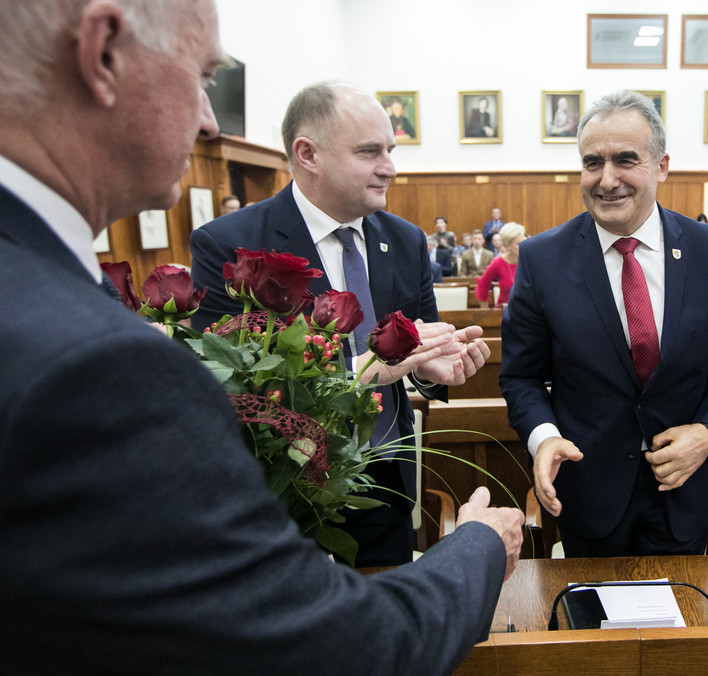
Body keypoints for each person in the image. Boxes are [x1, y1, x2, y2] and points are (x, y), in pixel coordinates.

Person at [0, 2, 522, 673]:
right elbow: (343, 647)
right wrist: (477, 546)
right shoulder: (102, 357)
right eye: (202, 75)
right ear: (102, 54)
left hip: (385, 480)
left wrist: (427, 366)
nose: (210, 120)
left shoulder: (51, 288)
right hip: (292, 494)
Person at [191, 82, 495, 567]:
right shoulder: (231, 244)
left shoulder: (406, 241)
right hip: (285, 486)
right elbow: (227, 386)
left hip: (384, 481)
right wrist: (358, 370)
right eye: (369, 152)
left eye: (390, 150)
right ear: (308, 154)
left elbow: (416, 351)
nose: (390, 167)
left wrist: (430, 370)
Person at [500, 90, 708, 557]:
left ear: (661, 166)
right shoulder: (542, 259)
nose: (607, 179)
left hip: (682, 493)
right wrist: (544, 437)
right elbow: (521, 377)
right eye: (592, 162)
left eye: (625, 160)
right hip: (588, 496)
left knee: (683, 625)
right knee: (590, 626)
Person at [474, 222, 525, 307]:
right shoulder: (498, 263)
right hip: (505, 313)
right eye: (518, 244)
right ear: (507, 246)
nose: (524, 246)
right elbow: (482, 285)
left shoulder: (530, 260)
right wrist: (485, 312)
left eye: (524, 241)